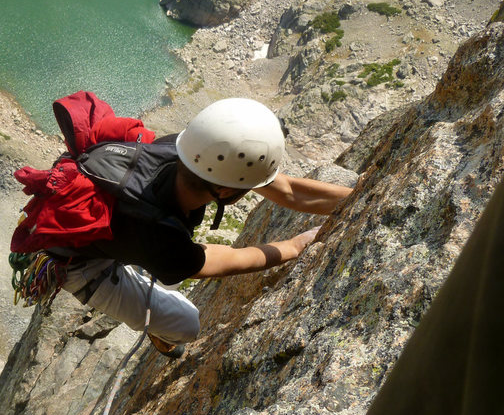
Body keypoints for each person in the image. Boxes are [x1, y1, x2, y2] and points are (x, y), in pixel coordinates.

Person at [55, 98, 352, 358]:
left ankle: (122, 252)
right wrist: (294, 247)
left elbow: (287, 190)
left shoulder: (185, 149)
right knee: (186, 324)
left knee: (162, 267)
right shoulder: (163, 240)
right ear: (225, 191)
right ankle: (162, 333)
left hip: (115, 221)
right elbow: (221, 261)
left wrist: (360, 194)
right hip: (77, 261)